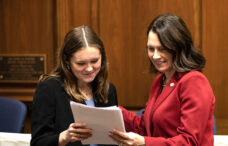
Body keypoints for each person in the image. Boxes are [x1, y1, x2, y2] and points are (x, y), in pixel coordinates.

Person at [109, 14, 215, 146]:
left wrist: (144, 142)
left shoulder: (194, 81)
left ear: (178, 47)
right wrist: (110, 109)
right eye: (150, 48)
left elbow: (189, 141)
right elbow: (145, 128)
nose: (155, 56)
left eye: (162, 49)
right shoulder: (160, 80)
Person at [31, 25, 118, 146]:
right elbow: (38, 143)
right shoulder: (49, 89)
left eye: (94, 61)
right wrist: (64, 137)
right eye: (81, 63)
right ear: (67, 61)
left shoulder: (108, 89)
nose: (89, 68)